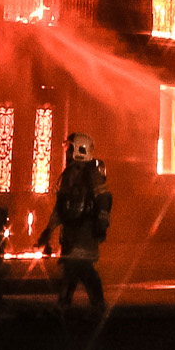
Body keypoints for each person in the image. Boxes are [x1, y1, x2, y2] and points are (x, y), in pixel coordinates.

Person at [37, 132, 112, 313]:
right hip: (70, 232)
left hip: (85, 232)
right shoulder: (69, 174)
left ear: (80, 149)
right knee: (72, 267)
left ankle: (93, 303)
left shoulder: (92, 174)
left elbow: (104, 198)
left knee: (82, 267)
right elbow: (60, 206)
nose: (67, 152)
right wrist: (49, 229)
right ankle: (66, 304)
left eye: (70, 148)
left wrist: (102, 223)